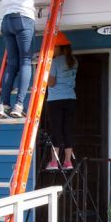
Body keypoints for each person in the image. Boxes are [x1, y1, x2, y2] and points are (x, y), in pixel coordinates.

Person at [44, 32, 77, 171]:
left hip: (55, 100)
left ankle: (54, 162)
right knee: (67, 130)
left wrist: (45, 74)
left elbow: (51, 83)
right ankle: (68, 162)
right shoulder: (74, 61)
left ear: (59, 47)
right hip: (70, 99)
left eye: (54, 47)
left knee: (56, 130)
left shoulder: (55, 62)